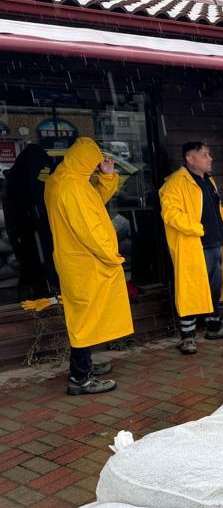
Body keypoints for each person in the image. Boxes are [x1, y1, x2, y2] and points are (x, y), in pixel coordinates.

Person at [44, 137, 130, 395]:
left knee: (86, 315)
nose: (96, 167)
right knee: (85, 318)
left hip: (78, 260)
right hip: (86, 261)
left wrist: (106, 177)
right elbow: (89, 229)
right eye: (94, 163)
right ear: (85, 161)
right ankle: (80, 378)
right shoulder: (72, 187)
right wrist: (111, 256)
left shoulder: (64, 180)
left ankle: (85, 366)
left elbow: (93, 203)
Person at [159, 142, 223, 355]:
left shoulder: (209, 181)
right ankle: (187, 338)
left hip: (215, 244)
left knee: (215, 288)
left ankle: (214, 327)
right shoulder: (175, 183)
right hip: (194, 246)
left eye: (209, 154)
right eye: (204, 155)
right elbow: (170, 214)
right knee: (191, 290)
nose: (210, 158)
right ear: (190, 158)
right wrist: (197, 228)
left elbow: (218, 207)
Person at [3, 144, 58, 301]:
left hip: (37, 230)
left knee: (37, 264)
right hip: (28, 232)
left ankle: (41, 291)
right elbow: (17, 210)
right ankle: (39, 293)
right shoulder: (19, 181)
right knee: (33, 264)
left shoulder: (25, 176)